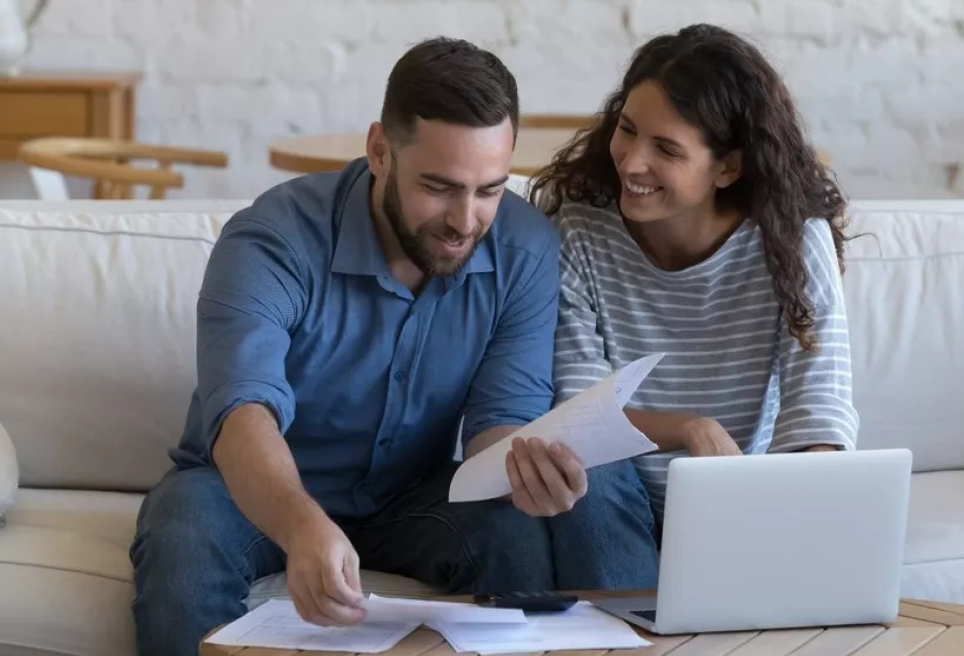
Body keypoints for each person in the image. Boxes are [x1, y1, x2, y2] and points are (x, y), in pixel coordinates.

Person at [129, 37, 659, 656]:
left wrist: (526, 469)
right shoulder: (271, 239)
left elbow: (500, 418)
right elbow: (243, 413)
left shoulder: (524, 247)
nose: (466, 221)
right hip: (241, 491)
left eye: (489, 188)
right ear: (380, 150)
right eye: (439, 186)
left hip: (411, 494)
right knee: (181, 534)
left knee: (517, 531)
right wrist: (303, 528)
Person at [530, 24, 859, 526]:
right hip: (608, 497)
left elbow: (818, 414)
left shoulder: (791, 240)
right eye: (627, 128)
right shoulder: (577, 225)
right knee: (583, 474)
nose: (632, 162)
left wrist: (796, 511)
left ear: (727, 168)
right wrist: (687, 428)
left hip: (731, 505)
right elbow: (579, 413)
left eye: (666, 149)